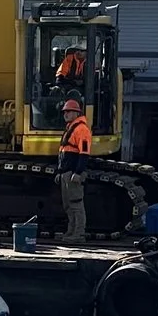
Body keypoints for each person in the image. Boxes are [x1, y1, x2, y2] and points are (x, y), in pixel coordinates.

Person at [57, 96, 93, 240]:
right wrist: (60, 172)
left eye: (69, 112)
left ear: (77, 113)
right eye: (65, 112)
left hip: (72, 173)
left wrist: (78, 172)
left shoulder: (81, 130)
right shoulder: (70, 128)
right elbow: (64, 152)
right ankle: (70, 232)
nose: (66, 114)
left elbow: (84, 153)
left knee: (76, 203)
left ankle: (78, 233)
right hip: (66, 172)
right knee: (68, 205)